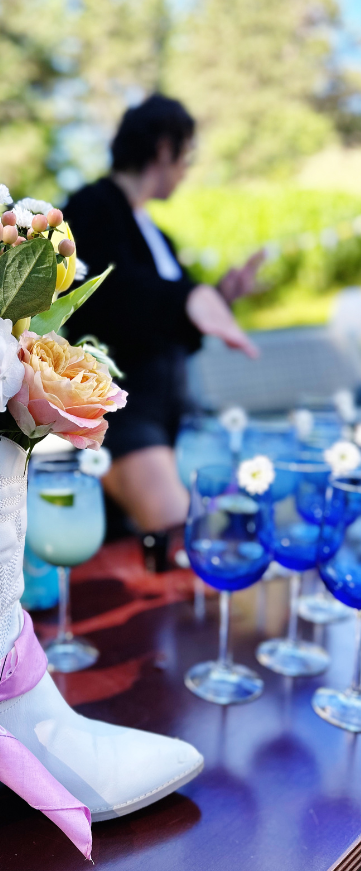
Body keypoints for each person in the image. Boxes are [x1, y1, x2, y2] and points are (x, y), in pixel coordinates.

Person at [64, 94, 263, 569]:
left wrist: (218, 296)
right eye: (186, 155)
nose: (186, 169)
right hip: (125, 415)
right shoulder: (93, 207)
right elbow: (106, 297)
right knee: (182, 541)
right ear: (163, 147)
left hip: (171, 413)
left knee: (194, 541)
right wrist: (189, 298)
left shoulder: (157, 233)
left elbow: (163, 320)